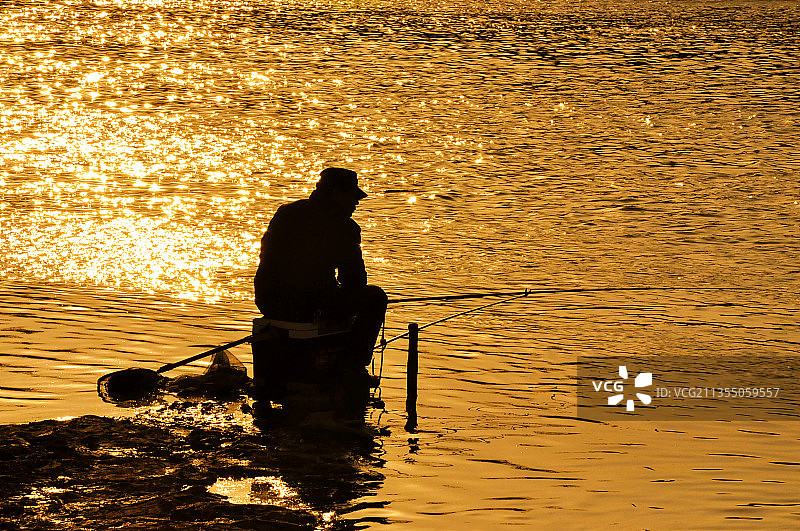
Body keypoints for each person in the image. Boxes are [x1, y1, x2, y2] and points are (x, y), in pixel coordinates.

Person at [254, 167, 387, 373]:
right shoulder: (344, 227)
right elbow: (354, 281)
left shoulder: (285, 212)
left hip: (267, 302)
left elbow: (269, 258)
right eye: (352, 196)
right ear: (336, 193)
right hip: (306, 307)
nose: (356, 203)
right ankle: (354, 364)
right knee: (376, 297)